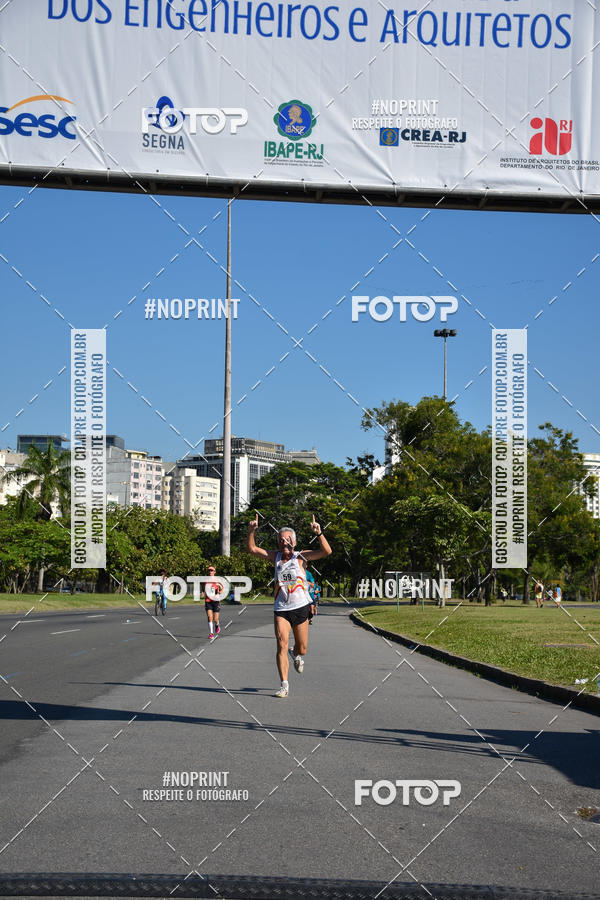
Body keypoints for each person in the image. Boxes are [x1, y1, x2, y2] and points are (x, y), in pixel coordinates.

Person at [247, 513, 332, 698]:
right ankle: (284, 685)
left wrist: (319, 533)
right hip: (281, 609)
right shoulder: (275, 557)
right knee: (281, 644)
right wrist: (251, 531)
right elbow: (252, 549)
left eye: (288, 539)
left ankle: (295, 652)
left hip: (300, 608)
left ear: (294, 541)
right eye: (281, 539)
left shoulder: (301, 557)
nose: (284, 542)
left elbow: (326, 551)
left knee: (302, 649)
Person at [204, 564, 222, 640]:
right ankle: (211, 633)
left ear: (214, 572)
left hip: (216, 601)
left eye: (211, 570)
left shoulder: (217, 580)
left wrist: (219, 592)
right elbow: (204, 589)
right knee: (209, 617)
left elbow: (223, 588)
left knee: (215, 619)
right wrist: (203, 593)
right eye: (209, 570)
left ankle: (217, 625)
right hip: (208, 601)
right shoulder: (206, 580)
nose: (210, 572)